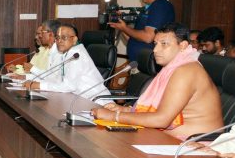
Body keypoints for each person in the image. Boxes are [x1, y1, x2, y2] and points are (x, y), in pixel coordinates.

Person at [91, 23, 223, 140]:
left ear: (182, 45)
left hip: (196, 145)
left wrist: (115, 116)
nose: (155, 50)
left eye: (164, 44)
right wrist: (125, 110)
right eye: (155, 44)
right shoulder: (174, 67)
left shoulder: (187, 71)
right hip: (169, 140)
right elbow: (162, 110)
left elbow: (162, 120)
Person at [23, 23, 110, 101]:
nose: (59, 41)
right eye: (57, 38)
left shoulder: (76, 54)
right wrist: (32, 80)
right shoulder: (65, 53)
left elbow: (69, 86)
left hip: (96, 101)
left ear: (74, 40)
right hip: (77, 99)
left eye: (64, 37)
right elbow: (55, 79)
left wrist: (39, 85)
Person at [109, 0, 175, 62]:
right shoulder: (149, 8)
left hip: (149, 64)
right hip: (138, 63)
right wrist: (121, 26)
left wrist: (124, 27)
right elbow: (133, 38)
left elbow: (148, 37)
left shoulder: (160, 6)